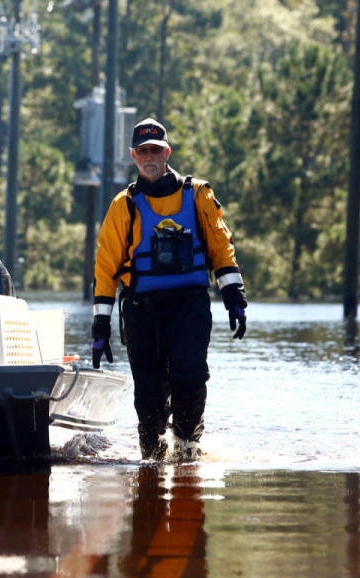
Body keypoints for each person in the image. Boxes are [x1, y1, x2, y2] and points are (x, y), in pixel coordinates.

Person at [90, 118, 247, 461]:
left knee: (190, 377)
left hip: (188, 305)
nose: (149, 157)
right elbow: (106, 267)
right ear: (133, 156)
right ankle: (152, 459)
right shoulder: (123, 205)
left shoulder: (198, 194)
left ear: (167, 152)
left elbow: (221, 245)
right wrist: (100, 323)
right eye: (143, 151)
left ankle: (188, 449)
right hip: (141, 309)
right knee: (148, 394)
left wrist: (234, 294)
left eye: (156, 150)